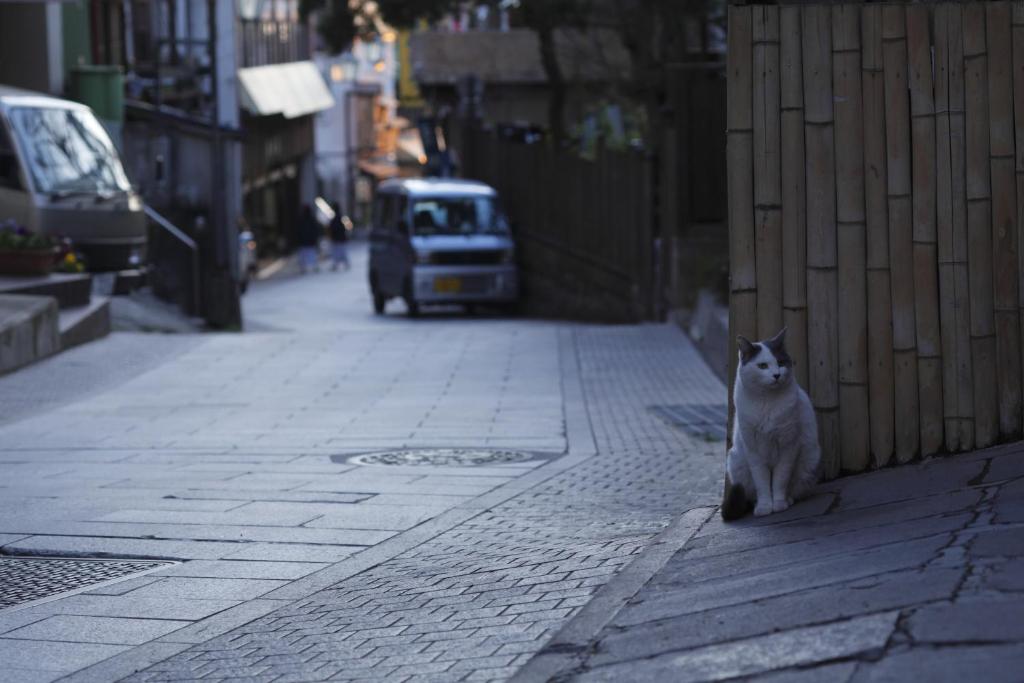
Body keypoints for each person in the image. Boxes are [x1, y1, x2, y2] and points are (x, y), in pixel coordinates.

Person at [296, 204, 320, 273]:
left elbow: (298, 231)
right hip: (310, 241)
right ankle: (313, 266)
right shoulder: (311, 219)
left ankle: (304, 267)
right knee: (311, 254)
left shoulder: (301, 219)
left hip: (304, 241)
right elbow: (315, 230)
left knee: (304, 255)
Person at [328, 202, 351, 271]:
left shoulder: (334, 219)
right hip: (341, 237)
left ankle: (337, 264)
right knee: (342, 251)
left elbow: (331, 228)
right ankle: (345, 263)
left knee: (336, 252)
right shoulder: (342, 217)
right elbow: (347, 227)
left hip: (337, 238)